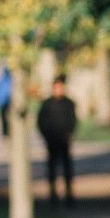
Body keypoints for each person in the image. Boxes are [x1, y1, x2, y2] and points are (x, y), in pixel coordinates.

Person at [36, 77, 79, 206]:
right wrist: (47, 135)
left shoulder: (68, 103)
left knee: (67, 168)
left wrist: (69, 133)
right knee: (52, 168)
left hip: (64, 140)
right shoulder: (47, 104)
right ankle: (53, 194)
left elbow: (73, 120)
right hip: (52, 140)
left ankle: (69, 194)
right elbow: (41, 122)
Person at [0, 66, 16, 138]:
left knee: (5, 118)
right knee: (5, 118)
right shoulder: (7, 80)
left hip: (4, 102)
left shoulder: (3, 80)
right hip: (4, 102)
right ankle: (6, 133)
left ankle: (6, 133)